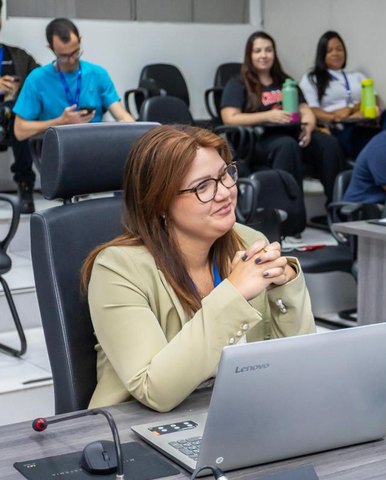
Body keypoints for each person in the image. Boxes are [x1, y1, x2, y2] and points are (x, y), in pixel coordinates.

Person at [82, 125, 316, 412]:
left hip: (236, 412)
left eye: (225, 174)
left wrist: (286, 287)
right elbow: (155, 391)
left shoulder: (248, 242)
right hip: (140, 426)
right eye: (202, 186)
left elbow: (298, 365)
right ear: (159, 204)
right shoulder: (117, 269)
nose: (225, 193)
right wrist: (234, 293)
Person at [220, 31, 344, 203]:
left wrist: (308, 129)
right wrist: (268, 116)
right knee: (287, 146)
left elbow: (305, 110)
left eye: (268, 50)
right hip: (257, 140)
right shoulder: (238, 82)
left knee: (328, 144)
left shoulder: (285, 81)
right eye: (258, 51)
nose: (264, 55)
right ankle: (291, 210)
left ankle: (337, 206)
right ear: (249, 55)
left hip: (291, 133)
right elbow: (230, 118)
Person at [13, 18, 134, 143]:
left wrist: (131, 128)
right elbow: (20, 131)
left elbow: (122, 115)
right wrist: (59, 122)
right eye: (64, 56)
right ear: (51, 49)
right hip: (57, 147)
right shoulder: (37, 79)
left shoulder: (97, 74)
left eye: (75, 53)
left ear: (80, 41)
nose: (71, 60)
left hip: (95, 145)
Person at [299, 30, 386, 158]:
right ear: (322, 54)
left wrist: (354, 110)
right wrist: (337, 118)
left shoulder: (357, 76)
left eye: (339, 49)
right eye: (329, 51)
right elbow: (311, 109)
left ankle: (384, 148)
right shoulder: (312, 78)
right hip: (342, 128)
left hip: (366, 121)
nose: (335, 53)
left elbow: (374, 98)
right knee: (364, 135)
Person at [0, 0, 39, 213]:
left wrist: (21, 90)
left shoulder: (18, 56)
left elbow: (42, 81)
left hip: (13, 121)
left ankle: (25, 186)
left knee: (18, 113)